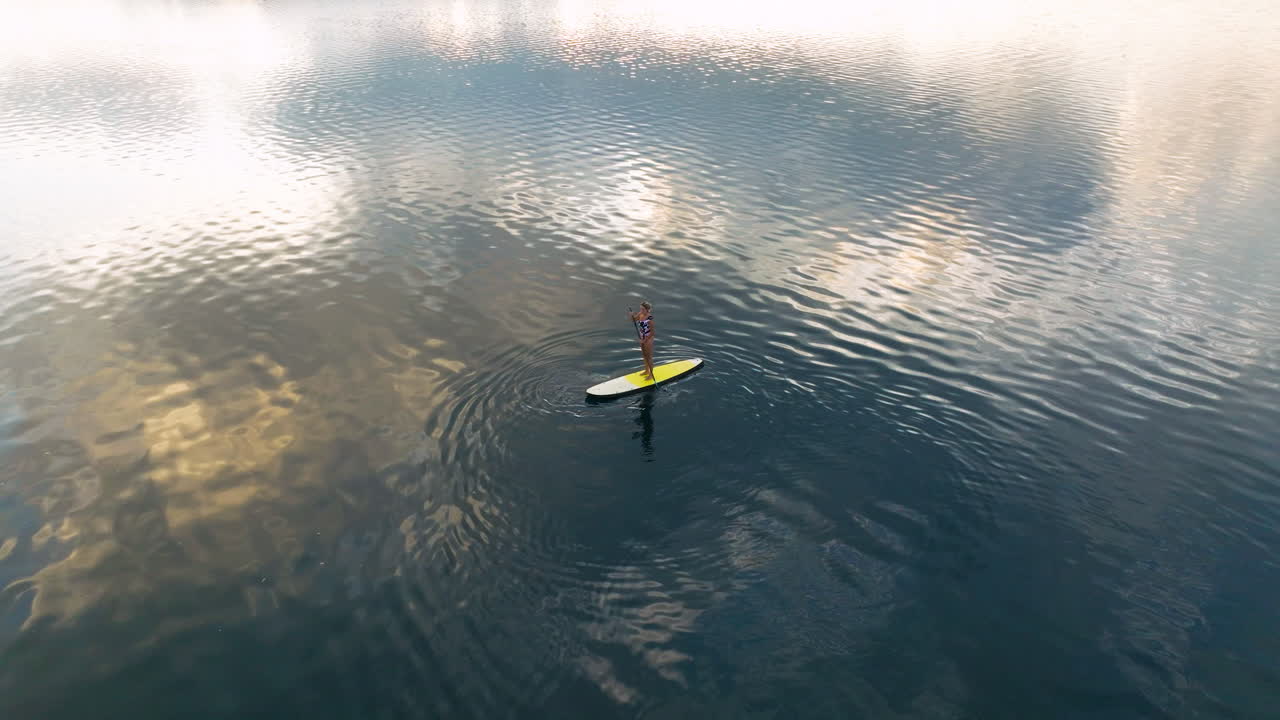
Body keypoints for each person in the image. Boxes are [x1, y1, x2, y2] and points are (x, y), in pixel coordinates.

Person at [630, 301, 656, 381]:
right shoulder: (640, 314)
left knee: (649, 357)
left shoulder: (650, 318)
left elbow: (652, 332)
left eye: (643, 309)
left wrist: (644, 340)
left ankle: (651, 374)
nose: (641, 310)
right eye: (640, 308)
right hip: (642, 337)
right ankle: (646, 371)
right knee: (644, 355)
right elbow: (634, 320)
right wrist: (632, 316)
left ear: (647, 310)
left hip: (648, 338)